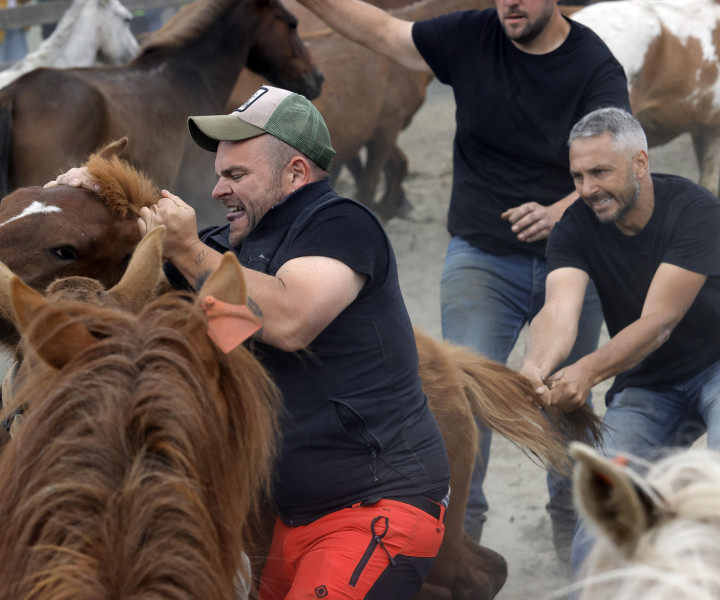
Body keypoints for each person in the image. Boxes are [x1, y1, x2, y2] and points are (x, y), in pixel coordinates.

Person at [49, 85, 451, 600]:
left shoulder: (343, 224)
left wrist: (186, 249)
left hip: (375, 509)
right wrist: (83, 202)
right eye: (219, 175)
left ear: (296, 173)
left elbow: (290, 320)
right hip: (289, 520)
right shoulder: (230, 245)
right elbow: (143, 272)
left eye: (236, 175)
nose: (218, 190)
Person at [293, 0, 631, 557]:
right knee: (465, 395)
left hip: (573, 258)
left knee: (568, 397)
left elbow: (618, 162)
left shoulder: (593, 64)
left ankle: (568, 529)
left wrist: (559, 211)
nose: (510, 4)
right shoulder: (472, 37)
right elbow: (382, 31)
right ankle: (460, 536)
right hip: (481, 256)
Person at [519, 106, 720, 577]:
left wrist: (587, 370)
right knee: (605, 511)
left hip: (717, 365)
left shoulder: (695, 209)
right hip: (647, 383)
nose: (587, 188)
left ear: (640, 164)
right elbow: (558, 311)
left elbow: (659, 322)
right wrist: (534, 368)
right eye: (578, 176)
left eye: (600, 172)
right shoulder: (574, 226)